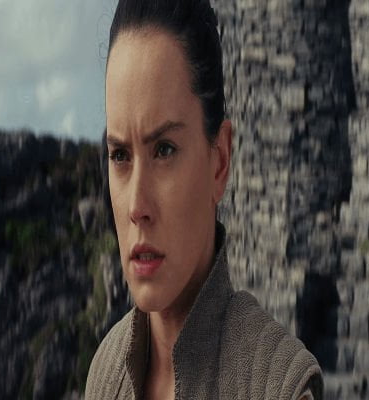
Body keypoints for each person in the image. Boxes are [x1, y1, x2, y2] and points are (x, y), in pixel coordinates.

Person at [85, 0, 323, 399]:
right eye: (120, 155)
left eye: (164, 150)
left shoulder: (278, 387)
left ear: (219, 162)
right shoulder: (107, 370)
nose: (136, 206)